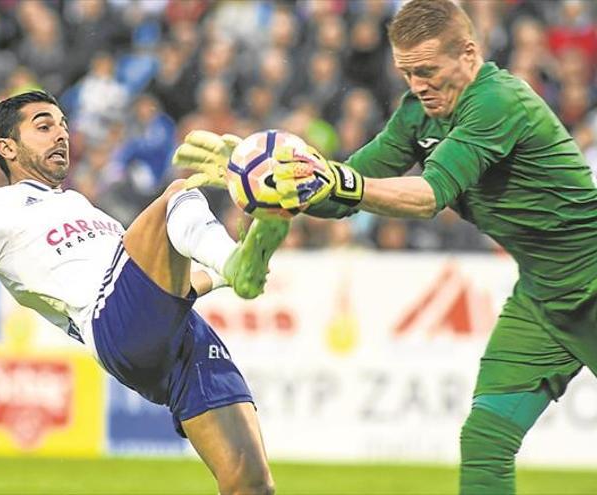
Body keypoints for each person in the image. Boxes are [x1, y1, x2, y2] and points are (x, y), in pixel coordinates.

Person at [173, 0, 597, 493]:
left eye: (428, 71)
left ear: (469, 54)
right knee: (486, 441)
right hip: (543, 299)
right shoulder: (417, 116)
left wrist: (335, 181)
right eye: (407, 72)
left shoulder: (499, 100)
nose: (418, 85)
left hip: (591, 279)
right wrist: (261, 175)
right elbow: (344, 192)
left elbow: (427, 196)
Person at [0, 90, 288, 495]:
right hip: (112, 323)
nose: (62, 133)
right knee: (180, 192)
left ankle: (236, 263)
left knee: (251, 484)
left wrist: (227, 278)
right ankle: (235, 256)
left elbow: (167, 287)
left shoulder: (82, 205)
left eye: (64, 125)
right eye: (44, 126)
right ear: (7, 148)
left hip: (181, 335)